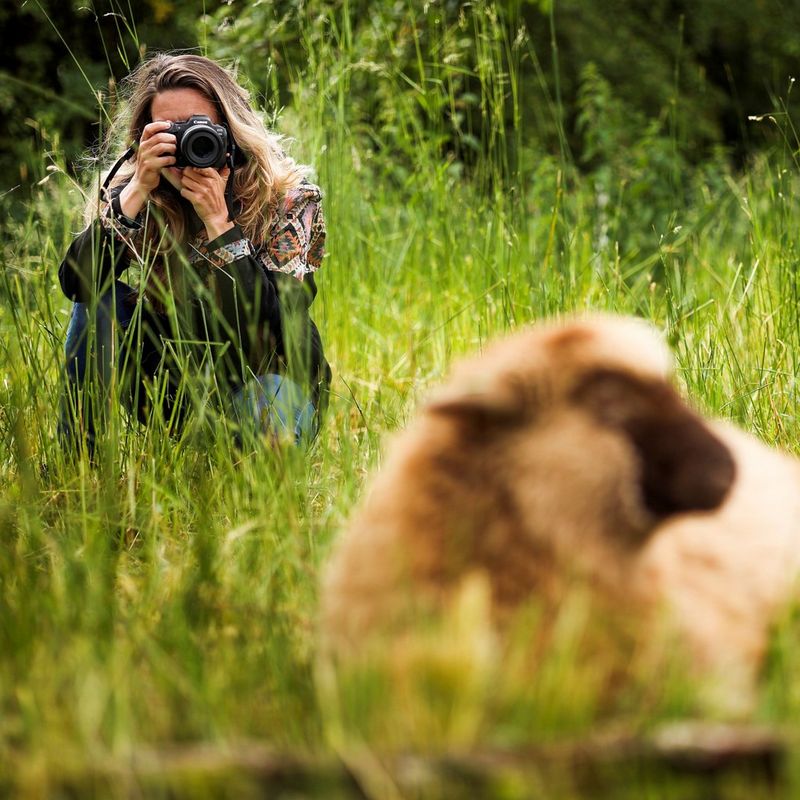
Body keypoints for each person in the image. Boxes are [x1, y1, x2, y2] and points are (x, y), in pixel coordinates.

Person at [58, 53, 330, 455]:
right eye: (169, 131)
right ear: (145, 137)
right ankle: (79, 468)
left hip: (270, 381)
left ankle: (263, 483)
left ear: (231, 132)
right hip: (176, 386)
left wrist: (220, 224)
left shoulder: (288, 198)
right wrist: (134, 193)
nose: (188, 142)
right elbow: (77, 285)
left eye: (199, 127)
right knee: (101, 301)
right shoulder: (139, 193)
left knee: (271, 399)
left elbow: (275, 325)